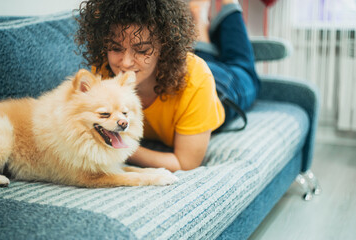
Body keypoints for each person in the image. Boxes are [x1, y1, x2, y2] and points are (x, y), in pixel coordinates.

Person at [75, 0, 260, 172]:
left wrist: (121, 147)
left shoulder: (197, 80)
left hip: (222, 89)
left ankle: (229, 5)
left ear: (165, 48)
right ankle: (199, 23)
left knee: (242, 66)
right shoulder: (104, 71)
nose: (125, 63)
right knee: (204, 58)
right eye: (116, 48)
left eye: (141, 50)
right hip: (178, 67)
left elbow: (185, 163)